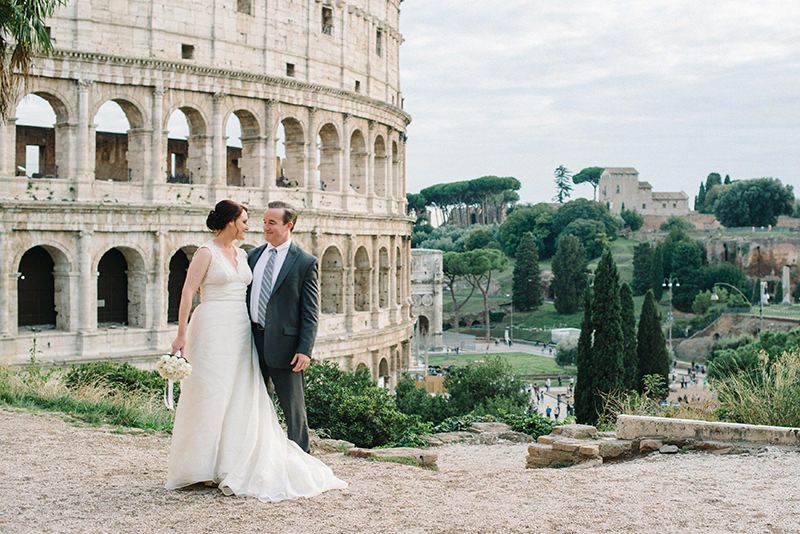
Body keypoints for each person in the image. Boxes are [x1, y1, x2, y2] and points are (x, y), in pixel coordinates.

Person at [166, 200, 346, 502]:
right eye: (252, 221)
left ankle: (294, 454)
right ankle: (205, 464)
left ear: (289, 225)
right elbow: (188, 290)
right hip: (220, 330)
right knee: (214, 393)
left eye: (269, 222)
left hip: (256, 337)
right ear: (232, 222)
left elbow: (310, 312)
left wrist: (305, 348)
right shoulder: (246, 254)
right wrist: (181, 334)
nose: (258, 227)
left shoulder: (292, 260)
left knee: (264, 401)